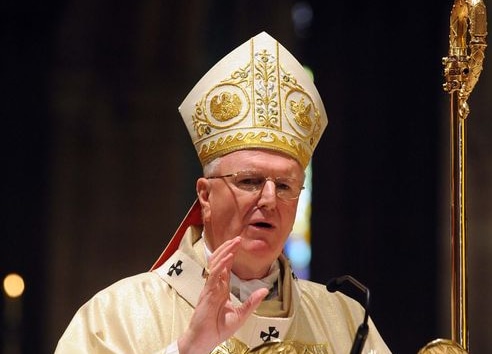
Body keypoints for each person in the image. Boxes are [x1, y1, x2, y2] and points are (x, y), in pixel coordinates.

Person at [55, 31, 392, 354]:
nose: (270, 200)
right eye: (250, 181)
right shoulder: (117, 316)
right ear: (205, 195)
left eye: (285, 185)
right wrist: (187, 350)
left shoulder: (344, 320)